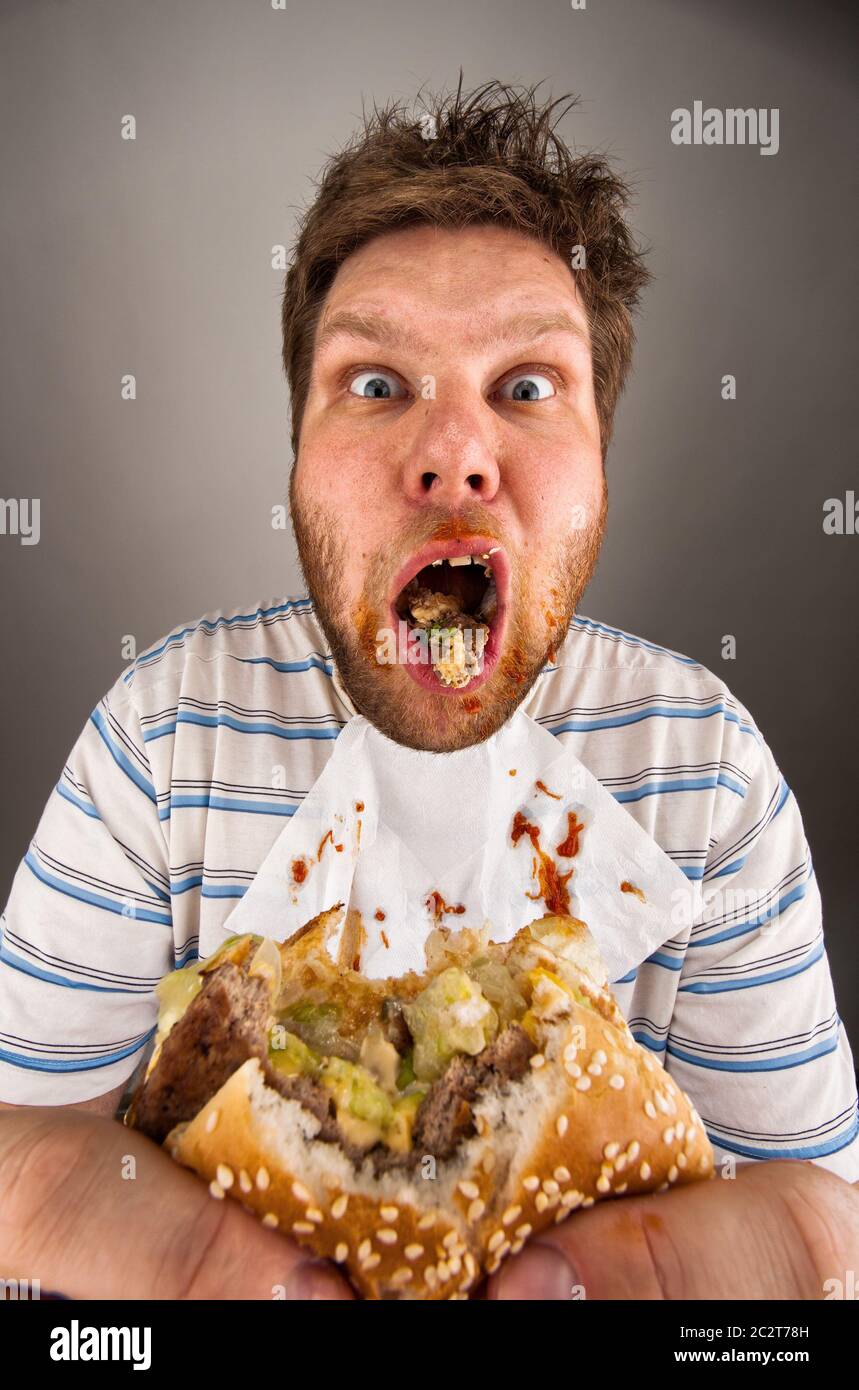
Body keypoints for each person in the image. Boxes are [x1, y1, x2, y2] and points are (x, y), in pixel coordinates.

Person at [1, 79, 856, 1301]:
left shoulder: (705, 768)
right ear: (294, 454)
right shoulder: (163, 734)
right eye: (376, 384)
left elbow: (820, 1236)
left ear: (602, 462)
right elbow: (18, 1180)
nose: (454, 452)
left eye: (523, 387)